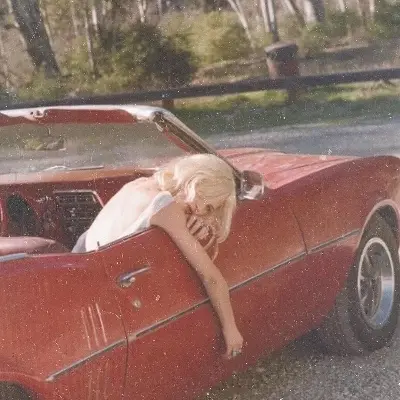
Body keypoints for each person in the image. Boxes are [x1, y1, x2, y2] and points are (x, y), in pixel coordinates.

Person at [72, 153, 243, 359]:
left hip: (81, 271)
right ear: (194, 179)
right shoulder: (165, 206)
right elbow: (212, 278)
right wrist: (231, 329)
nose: (199, 210)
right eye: (204, 196)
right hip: (107, 296)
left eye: (208, 209)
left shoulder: (137, 185)